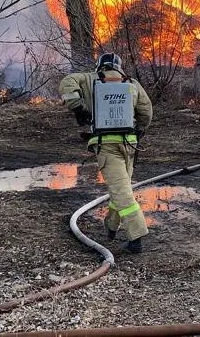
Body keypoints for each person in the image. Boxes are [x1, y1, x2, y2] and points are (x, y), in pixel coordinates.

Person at [58, 53, 153, 253]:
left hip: (107, 145)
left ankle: (136, 237)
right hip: (130, 144)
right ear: (119, 67)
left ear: (99, 66)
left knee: (121, 191)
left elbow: (67, 83)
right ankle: (111, 226)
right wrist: (140, 130)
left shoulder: (89, 79)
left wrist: (79, 109)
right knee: (122, 188)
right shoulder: (131, 83)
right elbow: (146, 111)